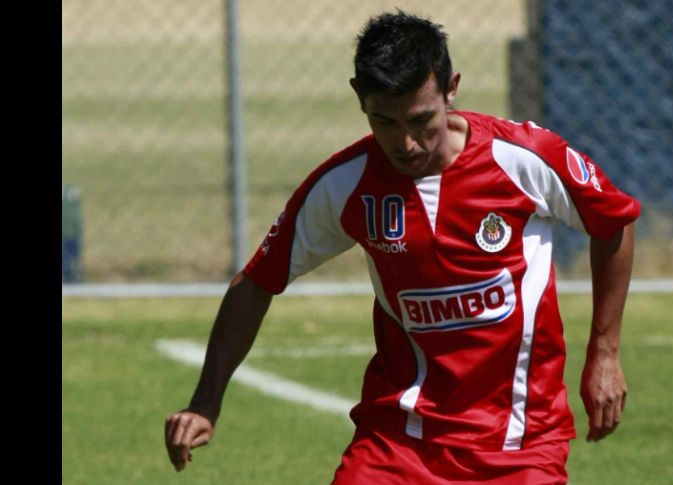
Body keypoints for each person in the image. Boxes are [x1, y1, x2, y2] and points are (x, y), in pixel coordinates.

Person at [165, 10, 639, 484]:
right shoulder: (347, 183)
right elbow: (256, 282)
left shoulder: (523, 159)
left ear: (451, 88)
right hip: (397, 442)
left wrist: (604, 352)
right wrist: (206, 402)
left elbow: (612, 222)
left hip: (519, 443)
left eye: (421, 120)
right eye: (384, 121)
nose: (406, 142)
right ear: (359, 98)